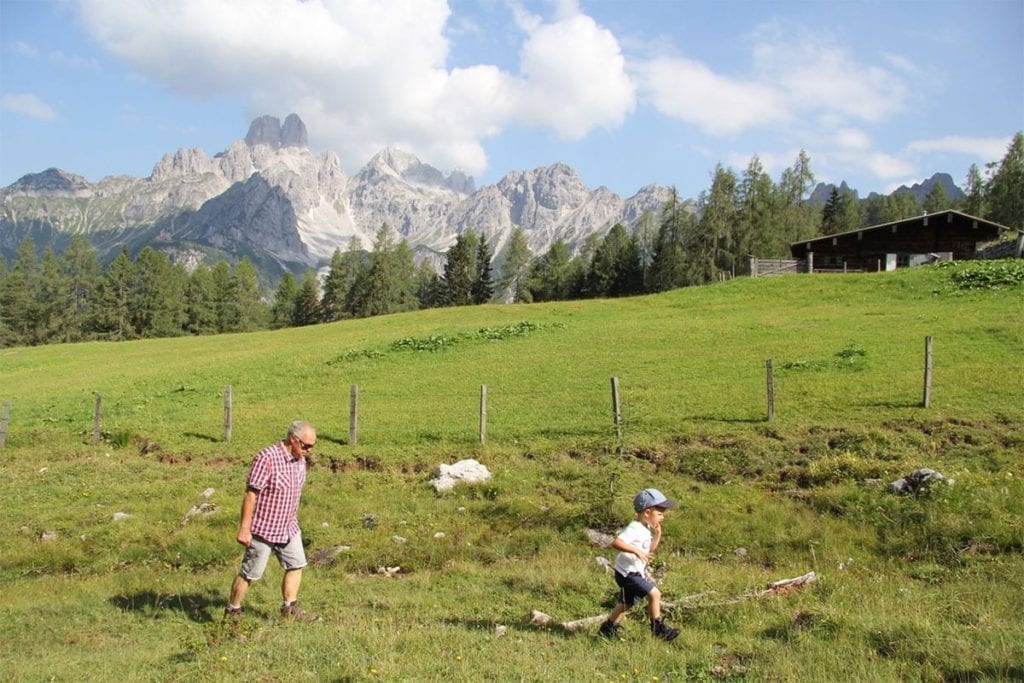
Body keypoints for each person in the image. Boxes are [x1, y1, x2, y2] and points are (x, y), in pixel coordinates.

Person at [224, 420, 319, 622]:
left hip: (288, 527)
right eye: (306, 445)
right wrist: (244, 528)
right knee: (250, 573)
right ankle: (232, 612)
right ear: (293, 439)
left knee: (296, 564)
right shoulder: (266, 458)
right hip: (263, 529)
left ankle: (289, 609)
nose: (309, 450)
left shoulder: (300, 459)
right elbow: (251, 495)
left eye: (312, 446)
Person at [598, 487, 680, 641]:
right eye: (660, 514)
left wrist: (658, 535)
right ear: (647, 512)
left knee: (627, 604)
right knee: (655, 594)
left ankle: (607, 629)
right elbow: (616, 543)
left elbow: (649, 550)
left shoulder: (645, 529)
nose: (662, 518)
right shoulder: (634, 528)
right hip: (627, 573)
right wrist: (636, 551)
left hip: (633, 572)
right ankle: (658, 629)